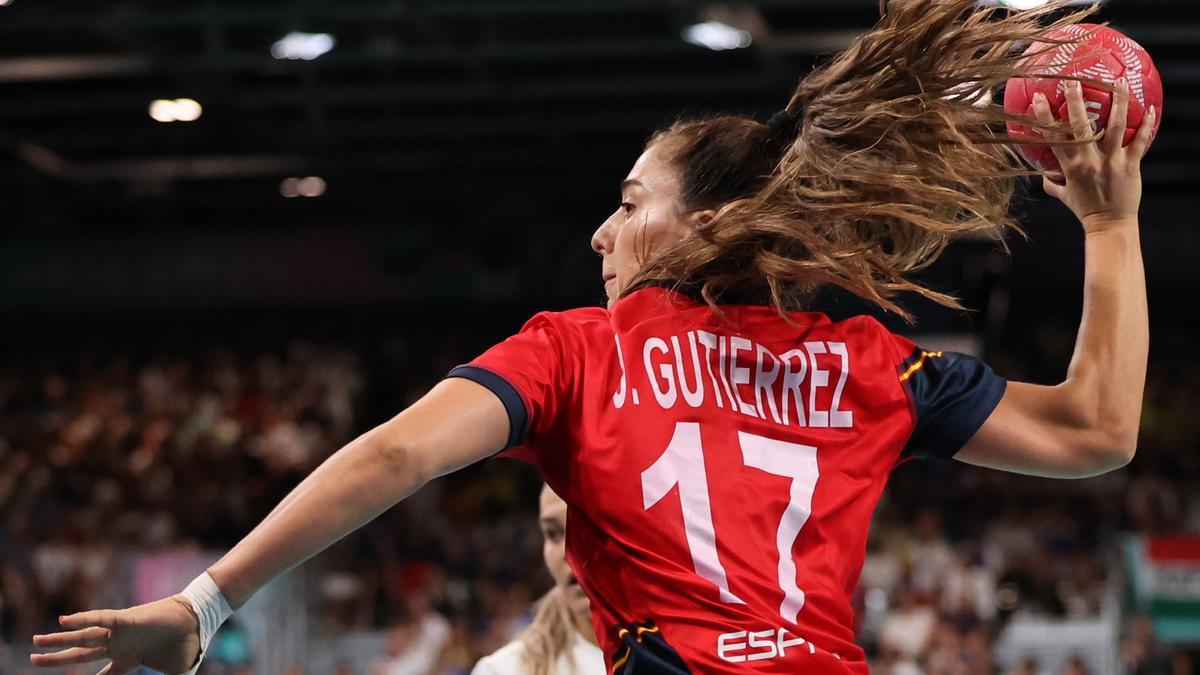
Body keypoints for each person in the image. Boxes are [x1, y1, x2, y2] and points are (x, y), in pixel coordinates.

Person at [30, 1, 1154, 673]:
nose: (600, 232)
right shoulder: (866, 365)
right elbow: (1100, 430)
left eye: (628, 203)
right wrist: (1110, 224)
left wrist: (202, 604)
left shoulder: (578, 351)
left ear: (703, 226)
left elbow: (392, 456)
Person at [471, 485, 603, 675]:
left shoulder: (659, 653)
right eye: (553, 533)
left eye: (588, 529)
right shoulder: (506, 670)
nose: (568, 552)